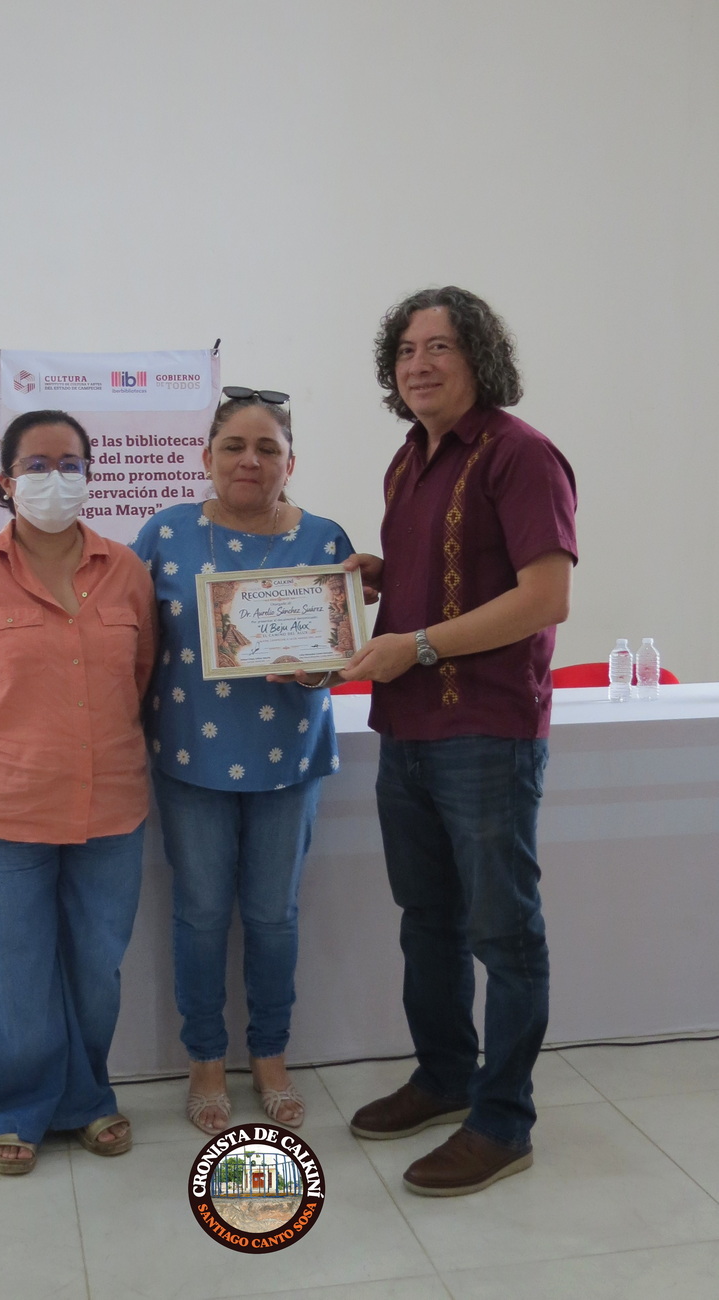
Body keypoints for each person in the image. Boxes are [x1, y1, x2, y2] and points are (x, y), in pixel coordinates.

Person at [342, 287, 577, 1196]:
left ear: (480, 357)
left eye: (439, 346)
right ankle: (443, 1075)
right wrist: (378, 574)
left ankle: (502, 1120)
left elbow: (543, 598)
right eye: (405, 350)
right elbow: (443, 579)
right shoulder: (406, 462)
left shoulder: (520, 454)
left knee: (502, 934)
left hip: (485, 730)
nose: (419, 364)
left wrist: (418, 646)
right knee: (427, 921)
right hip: (404, 727)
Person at [0, 409, 155, 1175]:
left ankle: (84, 1099)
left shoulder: (125, 571)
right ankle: (13, 1109)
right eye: (36, 465)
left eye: (69, 463)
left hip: (109, 805)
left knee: (94, 970)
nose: (54, 479)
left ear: (90, 476)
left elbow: (141, 675)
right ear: (6, 482)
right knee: (8, 972)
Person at [131, 387, 353, 1134]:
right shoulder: (164, 534)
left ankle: (269, 1055)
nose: (249, 460)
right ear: (207, 457)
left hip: (288, 760)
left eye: (267, 448)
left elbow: (340, 656)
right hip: (189, 758)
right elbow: (129, 641)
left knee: (273, 915)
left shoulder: (324, 539)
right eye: (234, 446)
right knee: (199, 915)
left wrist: (321, 671)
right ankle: (203, 1059)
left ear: (291, 462)